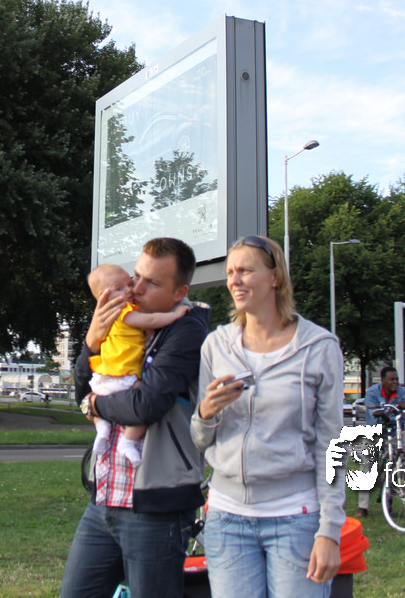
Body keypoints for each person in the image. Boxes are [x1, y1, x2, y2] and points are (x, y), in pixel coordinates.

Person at [191, 236, 344, 597]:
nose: (234, 280)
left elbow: (332, 446)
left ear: (275, 277)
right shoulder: (215, 345)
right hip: (226, 518)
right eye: (230, 272)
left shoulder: (319, 347)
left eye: (245, 270)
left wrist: (330, 531)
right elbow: (199, 438)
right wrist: (206, 412)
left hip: (296, 518)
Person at [60, 238, 211, 598]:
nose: (137, 288)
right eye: (136, 276)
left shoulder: (186, 328)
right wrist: (91, 342)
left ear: (180, 293)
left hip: (157, 505)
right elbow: (81, 391)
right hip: (105, 496)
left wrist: (95, 406)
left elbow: (145, 405)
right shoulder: (122, 320)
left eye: (152, 283)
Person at [84, 263, 189, 465]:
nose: (129, 290)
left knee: (96, 403)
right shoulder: (124, 312)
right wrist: (175, 316)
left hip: (103, 374)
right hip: (122, 375)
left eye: (128, 284)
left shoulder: (109, 319)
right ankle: (128, 441)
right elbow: (151, 321)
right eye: (119, 288)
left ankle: (102, 428)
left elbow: (85, 398)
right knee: (140, 408)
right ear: (103, 297)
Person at [353, 366, 405, 518]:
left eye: (396, 379)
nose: (395, 382)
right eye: (391, 379)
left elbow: (402, 419)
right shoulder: (372, 392)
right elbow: (374, 417)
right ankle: (362, 508)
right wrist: (391, 412)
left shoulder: (403, 393)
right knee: (367, 464)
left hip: (394, 433)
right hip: (375, 432)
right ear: (383, 380)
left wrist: (399, 411)